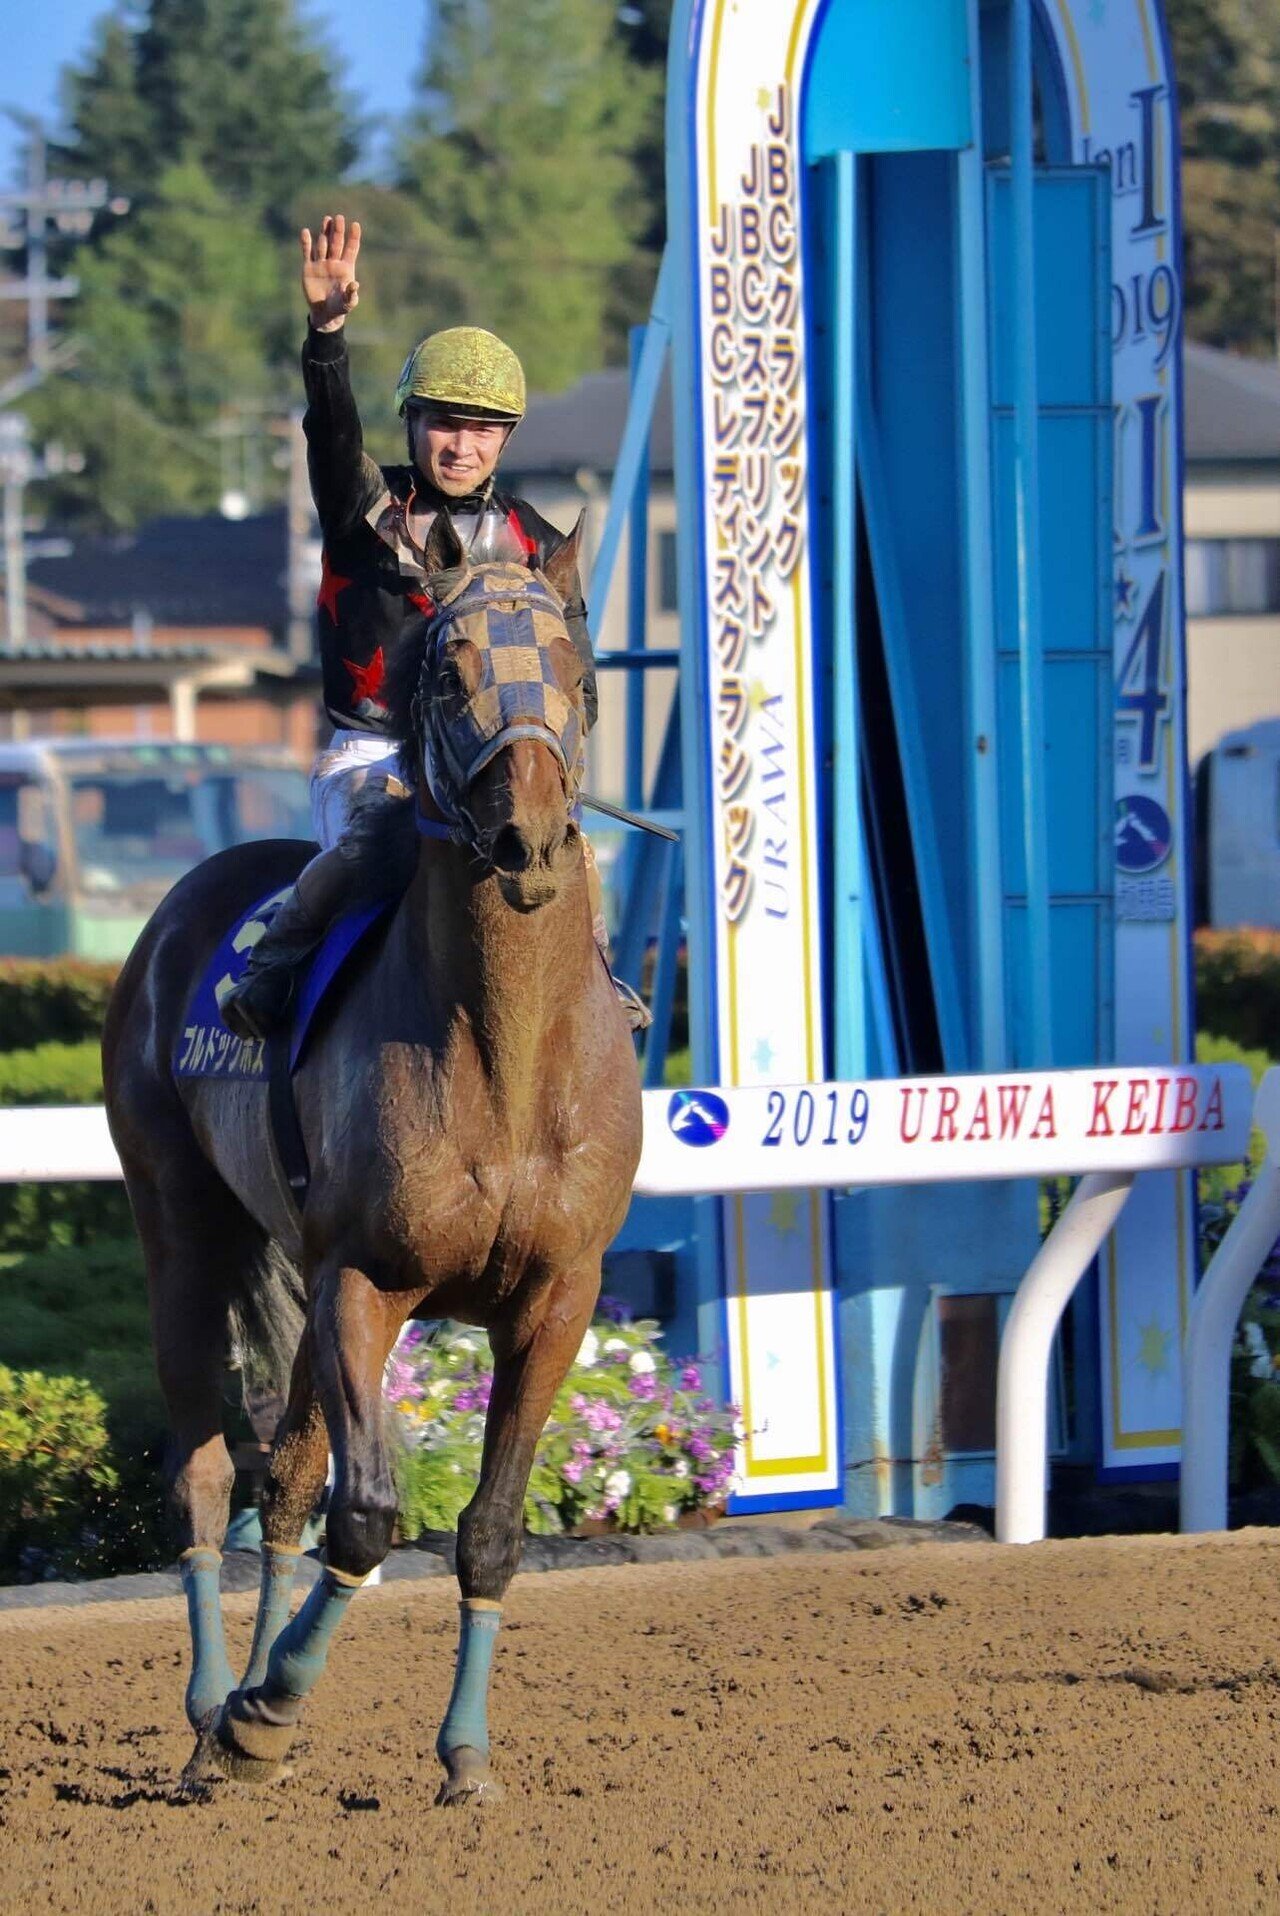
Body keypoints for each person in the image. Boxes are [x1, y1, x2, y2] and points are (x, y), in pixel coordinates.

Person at [220, 213, 648, 1039]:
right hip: (374, 753)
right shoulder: (364, 508)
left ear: (506, 438)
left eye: (481, 428)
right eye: (444, 422)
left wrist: (551, 758)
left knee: (570, 853)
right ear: (411, 422)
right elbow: (330, 431)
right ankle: (275, 964)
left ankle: (598, 985)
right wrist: (327, 335)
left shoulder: (539, 543)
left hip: (490, 752)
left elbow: (576, 678)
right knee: (376, 845)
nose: (461, 445)